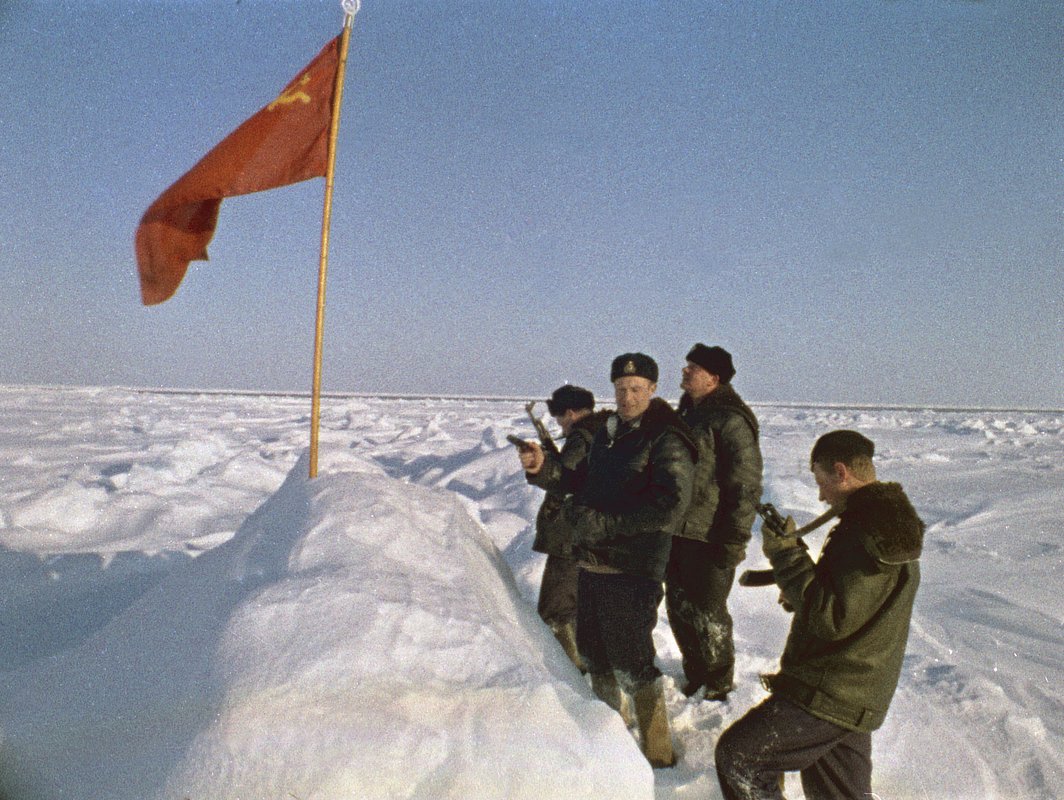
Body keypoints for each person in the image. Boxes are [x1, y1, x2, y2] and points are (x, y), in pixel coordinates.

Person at [715, 430, 925, 799]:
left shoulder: (867, 530)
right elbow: (851, 603)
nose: (820, 494)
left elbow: (831, 618)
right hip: (855, 689)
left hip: (832, 691)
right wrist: (802, 587)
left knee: (740, 757)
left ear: (841, 472)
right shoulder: (885, 523)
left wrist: (786, 556)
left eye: (821, 481)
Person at [517, 353, 697, 768]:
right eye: (620, 389)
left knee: (632, 659)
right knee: (594, 652)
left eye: (636, 389)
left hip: (633, 565)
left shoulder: (667, 438)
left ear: (653, 389)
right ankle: (609, 738)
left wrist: (603, 524)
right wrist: (543, 468)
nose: (628, 397)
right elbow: (578, 482)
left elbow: (670, 506)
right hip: (592, 561)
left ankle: (658, 754)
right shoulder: (608, 434)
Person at [667, 344, 762, 701]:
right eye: (686, 364)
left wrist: (734, 539)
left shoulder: (730, 420)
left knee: (708, 612)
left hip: (710, 535)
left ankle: (719, 685)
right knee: (679, 608)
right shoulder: (689, 414)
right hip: (677, 531)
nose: (685, 371)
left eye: (694, 367)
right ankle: (695, 674)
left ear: (714, 378)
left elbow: (745, 484)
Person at [530, 384, 609, 672]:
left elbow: (566, 482)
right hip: (594, 536)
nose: (560, 425)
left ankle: (567, 671)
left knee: (556, 609)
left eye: (560, 418)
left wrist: (544, 466)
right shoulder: (603, 431)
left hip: (572, 538)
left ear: (572, 413)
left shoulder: (581, 438)